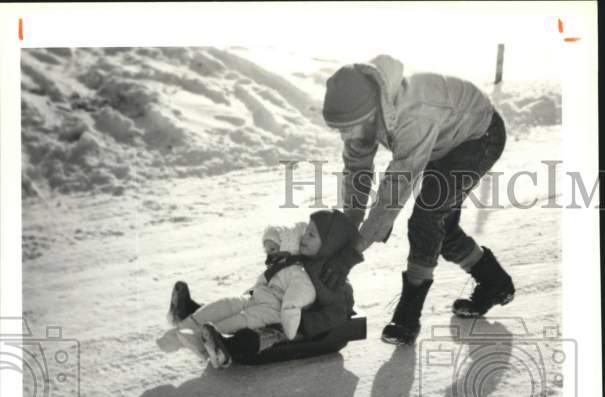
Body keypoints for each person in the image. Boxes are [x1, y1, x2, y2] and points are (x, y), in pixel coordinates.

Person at [320, 55, 515, 344]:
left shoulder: (414, 115)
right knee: (442, 230)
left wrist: (353, 252)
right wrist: (349, 225)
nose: (344, 135)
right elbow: (357, 172)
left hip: (479, 136)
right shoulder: (366, 118)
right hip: (442, 138)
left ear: (371, 112)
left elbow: (394, 191)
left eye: (349, 127)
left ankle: (407, 317)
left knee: (427, 218)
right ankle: (495, 283)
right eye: (340, 129)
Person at [159, 209, 357, 368]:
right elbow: (283, 257)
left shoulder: (334, 278)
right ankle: (193, 312)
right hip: (269, 302)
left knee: (259, 332)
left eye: (311, 235)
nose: (304, 237)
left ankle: (223, 345)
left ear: (328, 245)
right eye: (306, 231)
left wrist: (305, 322)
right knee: (231, 304)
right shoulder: (305, 258)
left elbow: (337, 313)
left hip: (292, 323)